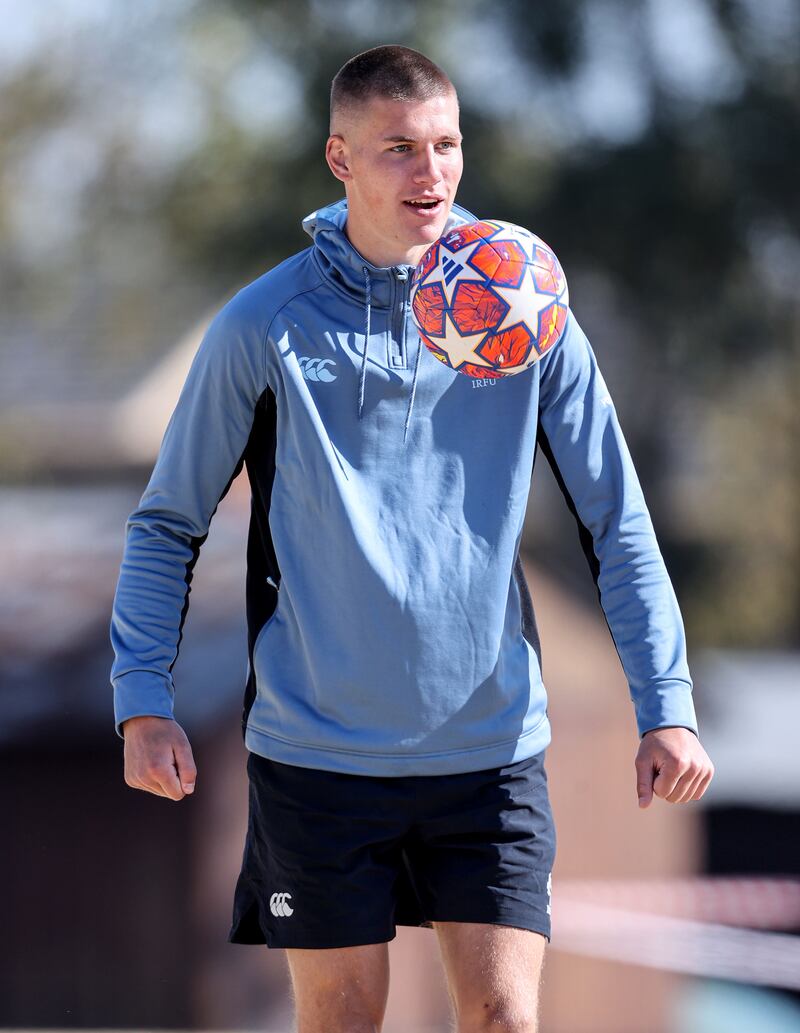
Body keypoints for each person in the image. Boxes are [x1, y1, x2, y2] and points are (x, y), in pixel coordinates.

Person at [111, 44, 714, 1033]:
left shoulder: (527, 307)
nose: (429, 171)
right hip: (316, 753)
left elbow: (617, 519)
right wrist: (143, 699)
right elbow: (168, 522)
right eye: (397, 148)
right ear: (339, 160)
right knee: (342, 1022)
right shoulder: (263, 326)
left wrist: (666, 704)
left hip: (489, 750)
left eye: (445, 144)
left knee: (501, 1018)